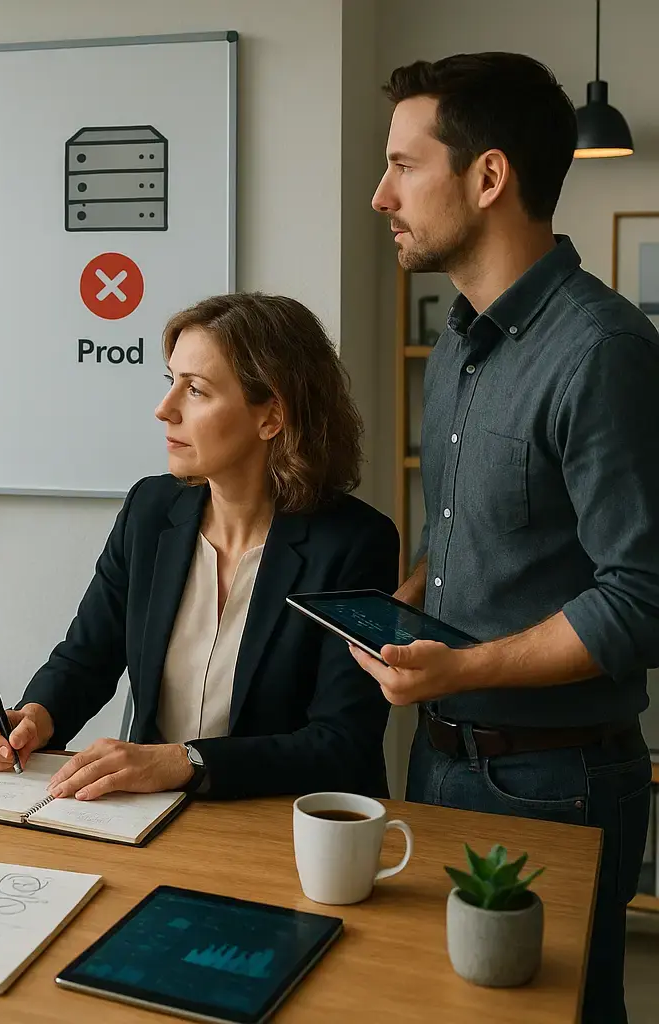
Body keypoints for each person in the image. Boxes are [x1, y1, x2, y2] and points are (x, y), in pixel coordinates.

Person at [362, 53, 659, 1023]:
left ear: (489, 178)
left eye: (405, 166)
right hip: (439, 758)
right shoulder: (460, 340)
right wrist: (411, 595)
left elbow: (641, 597)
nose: (381, 195)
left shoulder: (603, 351)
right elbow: (476, 533)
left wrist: (465, 664)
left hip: (554, 782)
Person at [0, 293, 399, 802]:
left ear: (271, 417)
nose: (164, 409)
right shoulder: (150, 510)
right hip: (148, 816)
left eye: (196, 390)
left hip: (280, 825)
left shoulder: (354, 543)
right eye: (171, 382)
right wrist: (34, 716)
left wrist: (185, 761)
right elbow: (87, 658)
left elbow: (342, 744)